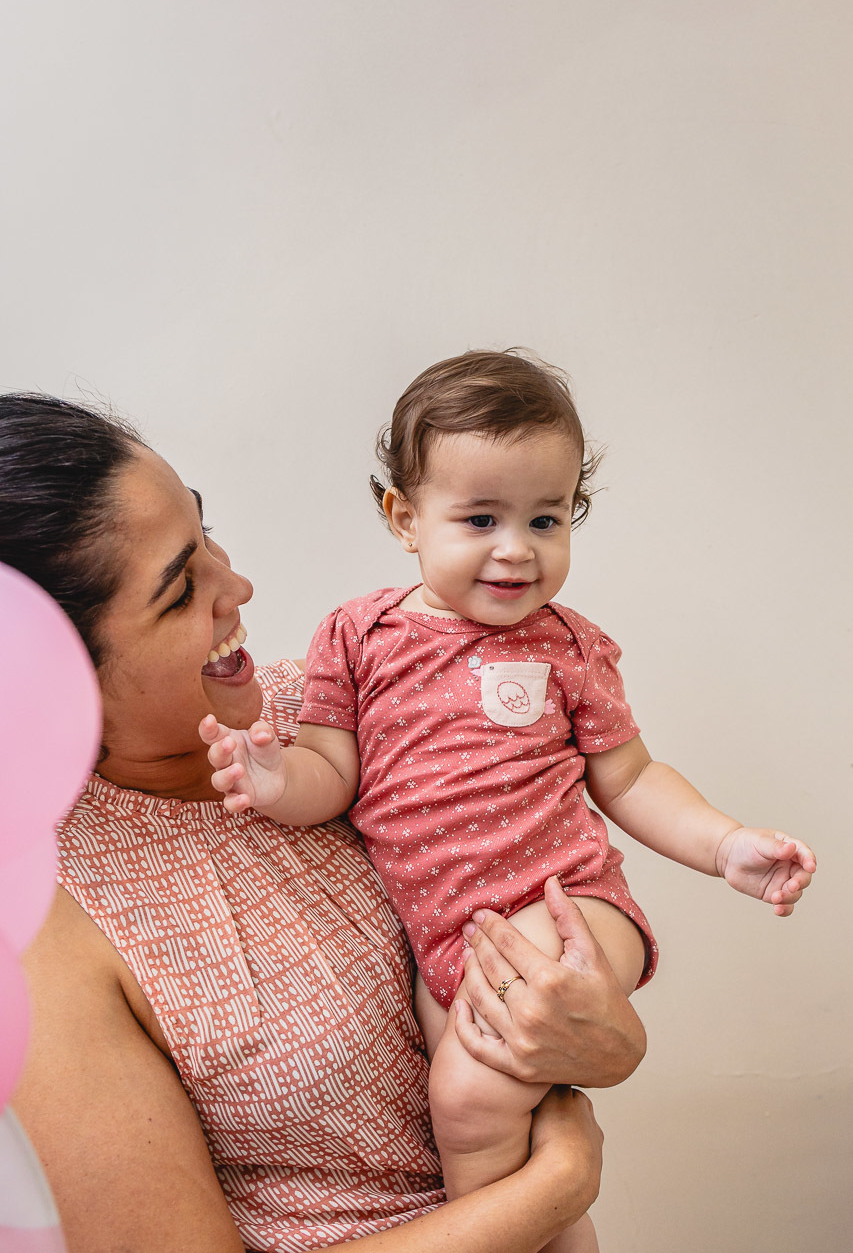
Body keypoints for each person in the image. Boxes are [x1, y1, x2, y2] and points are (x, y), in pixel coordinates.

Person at [1, 390, 648, 1253]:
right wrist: (551, 1188)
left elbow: (545, 891)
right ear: (46, 680)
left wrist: (607, 1043)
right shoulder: (46, 927)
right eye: (182, 588)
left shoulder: (341, 708)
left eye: (205, 531)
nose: (239, 584)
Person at [200, 350, 817, 1253]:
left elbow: (631, 778)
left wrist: (723, 845)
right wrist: (271, 780)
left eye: (546, 517)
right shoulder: (358, 635)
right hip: (442, 938)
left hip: (563, 908)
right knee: (498, 1142)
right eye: (480, 517)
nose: (516, 547)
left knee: (467, 1101)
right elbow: (332, 773)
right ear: (403, 517)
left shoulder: (569, 644)